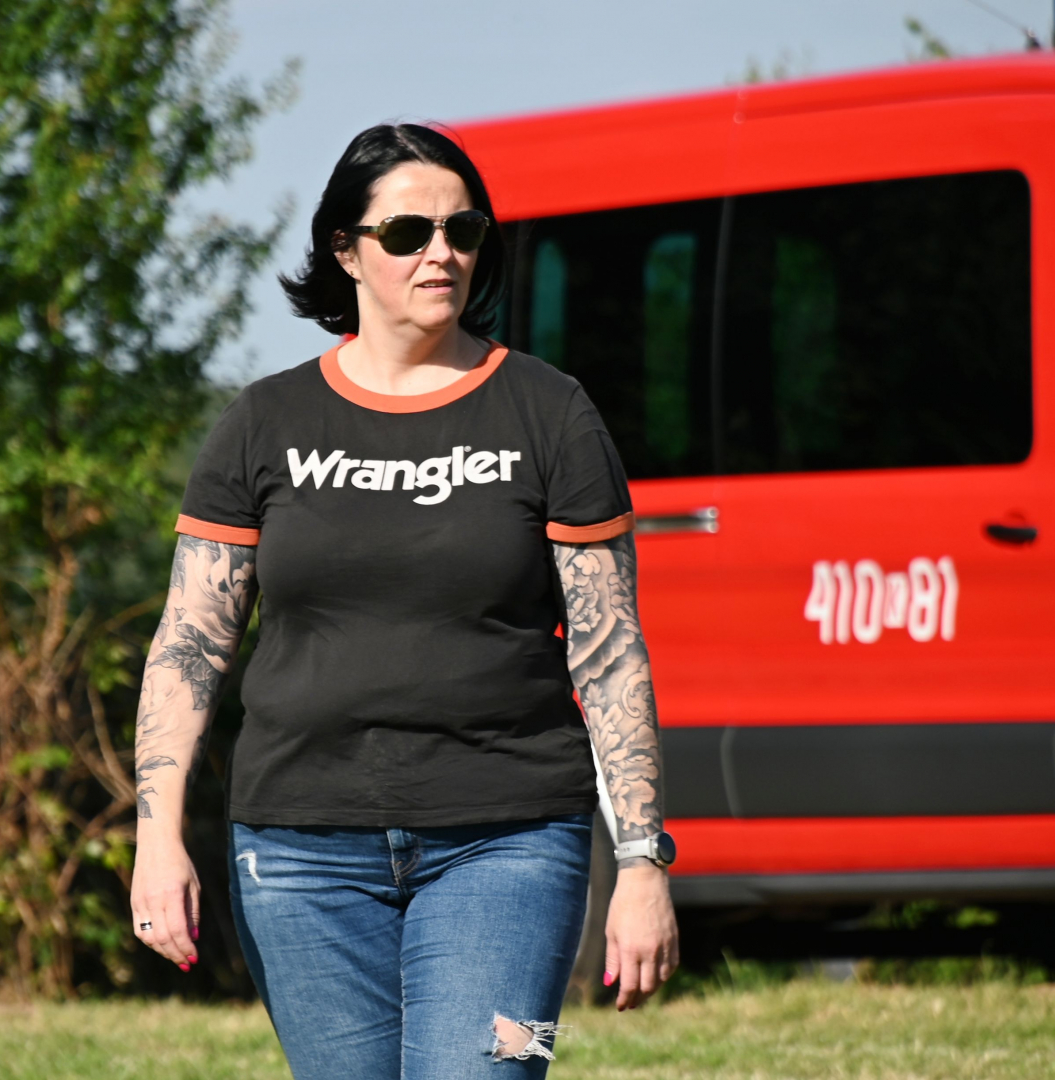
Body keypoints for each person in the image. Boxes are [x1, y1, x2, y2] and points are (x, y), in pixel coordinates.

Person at [129, 123, 678, 1079]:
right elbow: (189, 644)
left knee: (495, 1069)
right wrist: (156, 838)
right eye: (408, 233)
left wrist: (641, 861)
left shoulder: (552, 413)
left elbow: (610, 652)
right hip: (296, 857)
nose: (442, 253)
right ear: (344, 249)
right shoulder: (263, 423)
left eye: (464, 232)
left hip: (515, 844)